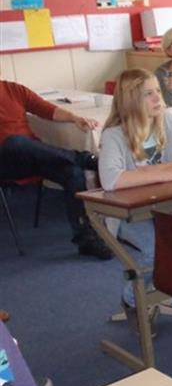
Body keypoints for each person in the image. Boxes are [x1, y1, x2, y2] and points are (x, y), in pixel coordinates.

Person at [98, 69, 172, 312]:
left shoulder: (168, 121)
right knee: (155, 250)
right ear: (130, 100)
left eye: (158, 90)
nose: (158, 97)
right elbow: (111, 180)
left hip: (168, 207)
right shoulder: (114, 135)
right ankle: (132, 299)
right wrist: (166, 172)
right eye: (148, 94)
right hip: (130, 214)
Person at [0, 80, 111, 259]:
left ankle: (86, 238)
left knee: (73, 172)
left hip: (31, 156)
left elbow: (47, 109)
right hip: (5, 163)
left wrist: (75, 118)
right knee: (15, 142)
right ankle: (83, 158)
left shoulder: (14, 89)